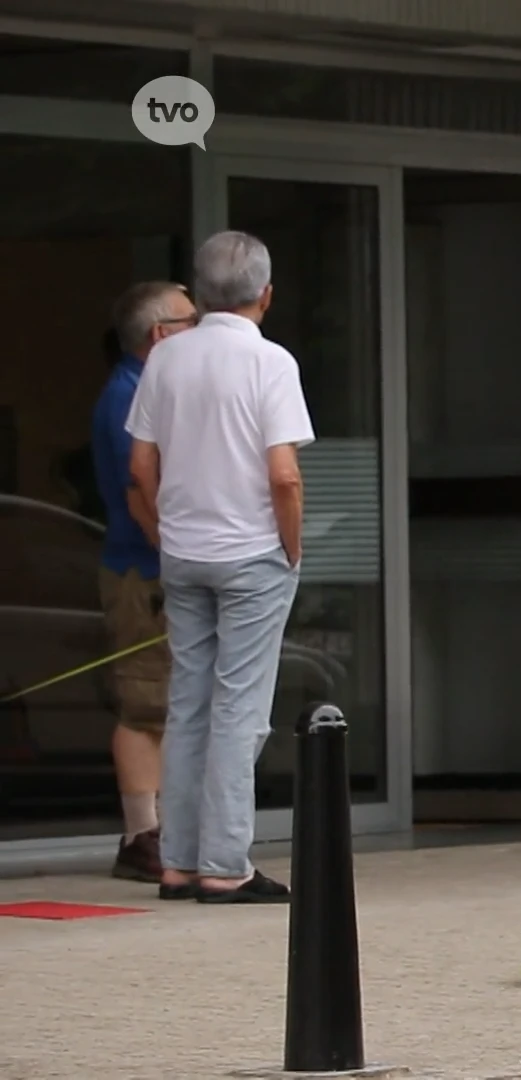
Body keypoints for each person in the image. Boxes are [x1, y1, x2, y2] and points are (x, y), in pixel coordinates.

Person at [127, 230, 314, 905]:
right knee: (240, 710)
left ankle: (176, 862)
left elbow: (140, 467)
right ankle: (226, 865)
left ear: (201, 294)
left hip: (184, 553)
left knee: (188, 705)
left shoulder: (165, 360)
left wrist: (163, 533)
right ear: (265, 294)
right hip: (252, 553)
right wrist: (290, 548)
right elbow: (284, 476)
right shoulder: (271, 363)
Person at [90, 281, 198, 883]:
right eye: (191, 318)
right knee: (145, 703)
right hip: (144, 572)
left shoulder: (146, 391)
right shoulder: (128, 397)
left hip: (155, 567)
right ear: (161, 334)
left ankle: (164, 829)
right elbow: (140, 494)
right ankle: (141, 835)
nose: (202, 327)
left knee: (166, 701)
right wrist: (175, 556)